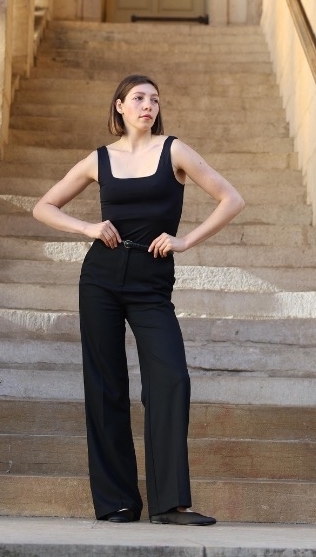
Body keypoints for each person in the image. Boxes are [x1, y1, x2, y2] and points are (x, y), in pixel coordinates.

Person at [32, 73, 245, 525]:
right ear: (120, 106)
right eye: (139, 98)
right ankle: (118, 502)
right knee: (105, 385)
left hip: (151, 281)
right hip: (101, 277)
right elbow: (43, 206)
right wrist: (88, 228)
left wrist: (185, 240)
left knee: (171, 379)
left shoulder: (174, 151)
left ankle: (170, 504)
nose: (148, 105)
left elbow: (231, 199)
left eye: (154, 99)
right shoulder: (99, 159)